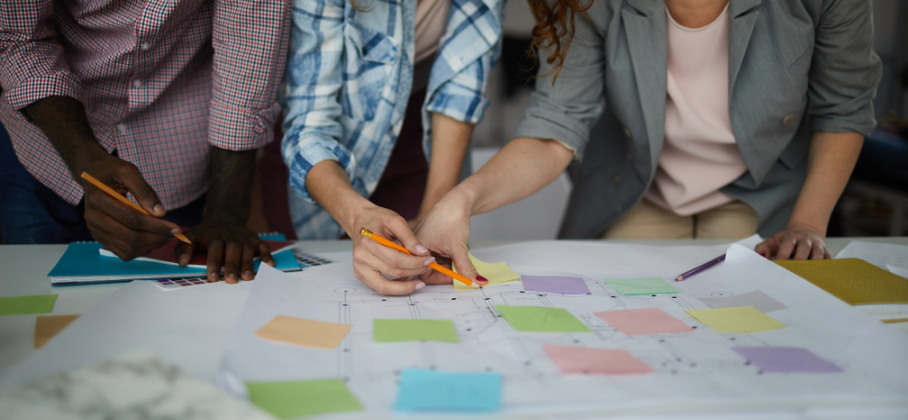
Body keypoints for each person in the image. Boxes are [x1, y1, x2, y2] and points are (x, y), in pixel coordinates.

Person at [413, 0, 881, 287]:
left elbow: (842, 107)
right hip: (634, 190)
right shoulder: (588, 2)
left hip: (764, 196)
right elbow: (555, 128)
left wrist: (806, 223)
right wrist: (462, 200)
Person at [0, 0, 291, 283]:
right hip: (40, 147)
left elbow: (250, 44)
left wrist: (226, 213)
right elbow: (17, 38)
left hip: (179, 149)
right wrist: (85, 159)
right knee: (37, 304)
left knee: (177, 307)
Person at [281, 0, 504, 294]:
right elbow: (309, 125)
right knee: (311, 285)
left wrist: (434, 213)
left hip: (420, 139)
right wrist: (357, 215)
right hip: (319, 165)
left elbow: (460, 93)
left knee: (418, 274)